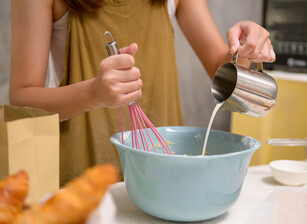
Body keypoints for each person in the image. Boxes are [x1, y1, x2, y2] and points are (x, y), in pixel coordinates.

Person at [10, 0, 275, 185]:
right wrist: (92, 93)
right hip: (83, 173)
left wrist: (242, 49)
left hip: (162, 171)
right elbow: (21, 97)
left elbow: (221, 66)